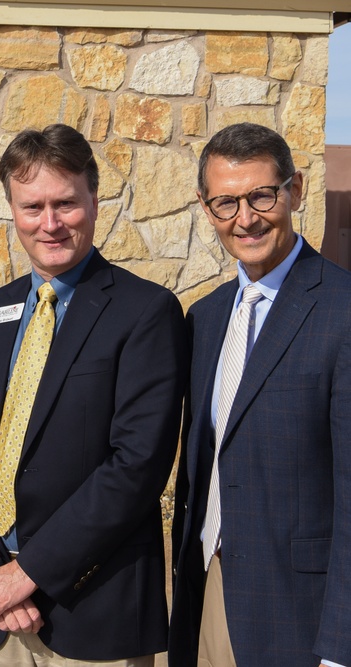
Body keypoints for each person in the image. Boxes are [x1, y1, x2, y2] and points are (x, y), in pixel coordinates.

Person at [0, 123, 188, 666]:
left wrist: (28, 574)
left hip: (93, 610)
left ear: (94, 202)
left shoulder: (145, 313)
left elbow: (136, 465)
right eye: (32, 207)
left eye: (66, 204)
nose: (49, 224)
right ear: (12, 209)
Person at [169, 123, 351, 667]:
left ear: (294, 190)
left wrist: (340, 647)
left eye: (261, 196)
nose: (245, 219)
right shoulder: (204, 318)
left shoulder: (343, 310)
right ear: (206, 208)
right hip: (209, 592)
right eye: (226, 202)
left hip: (303, 615)